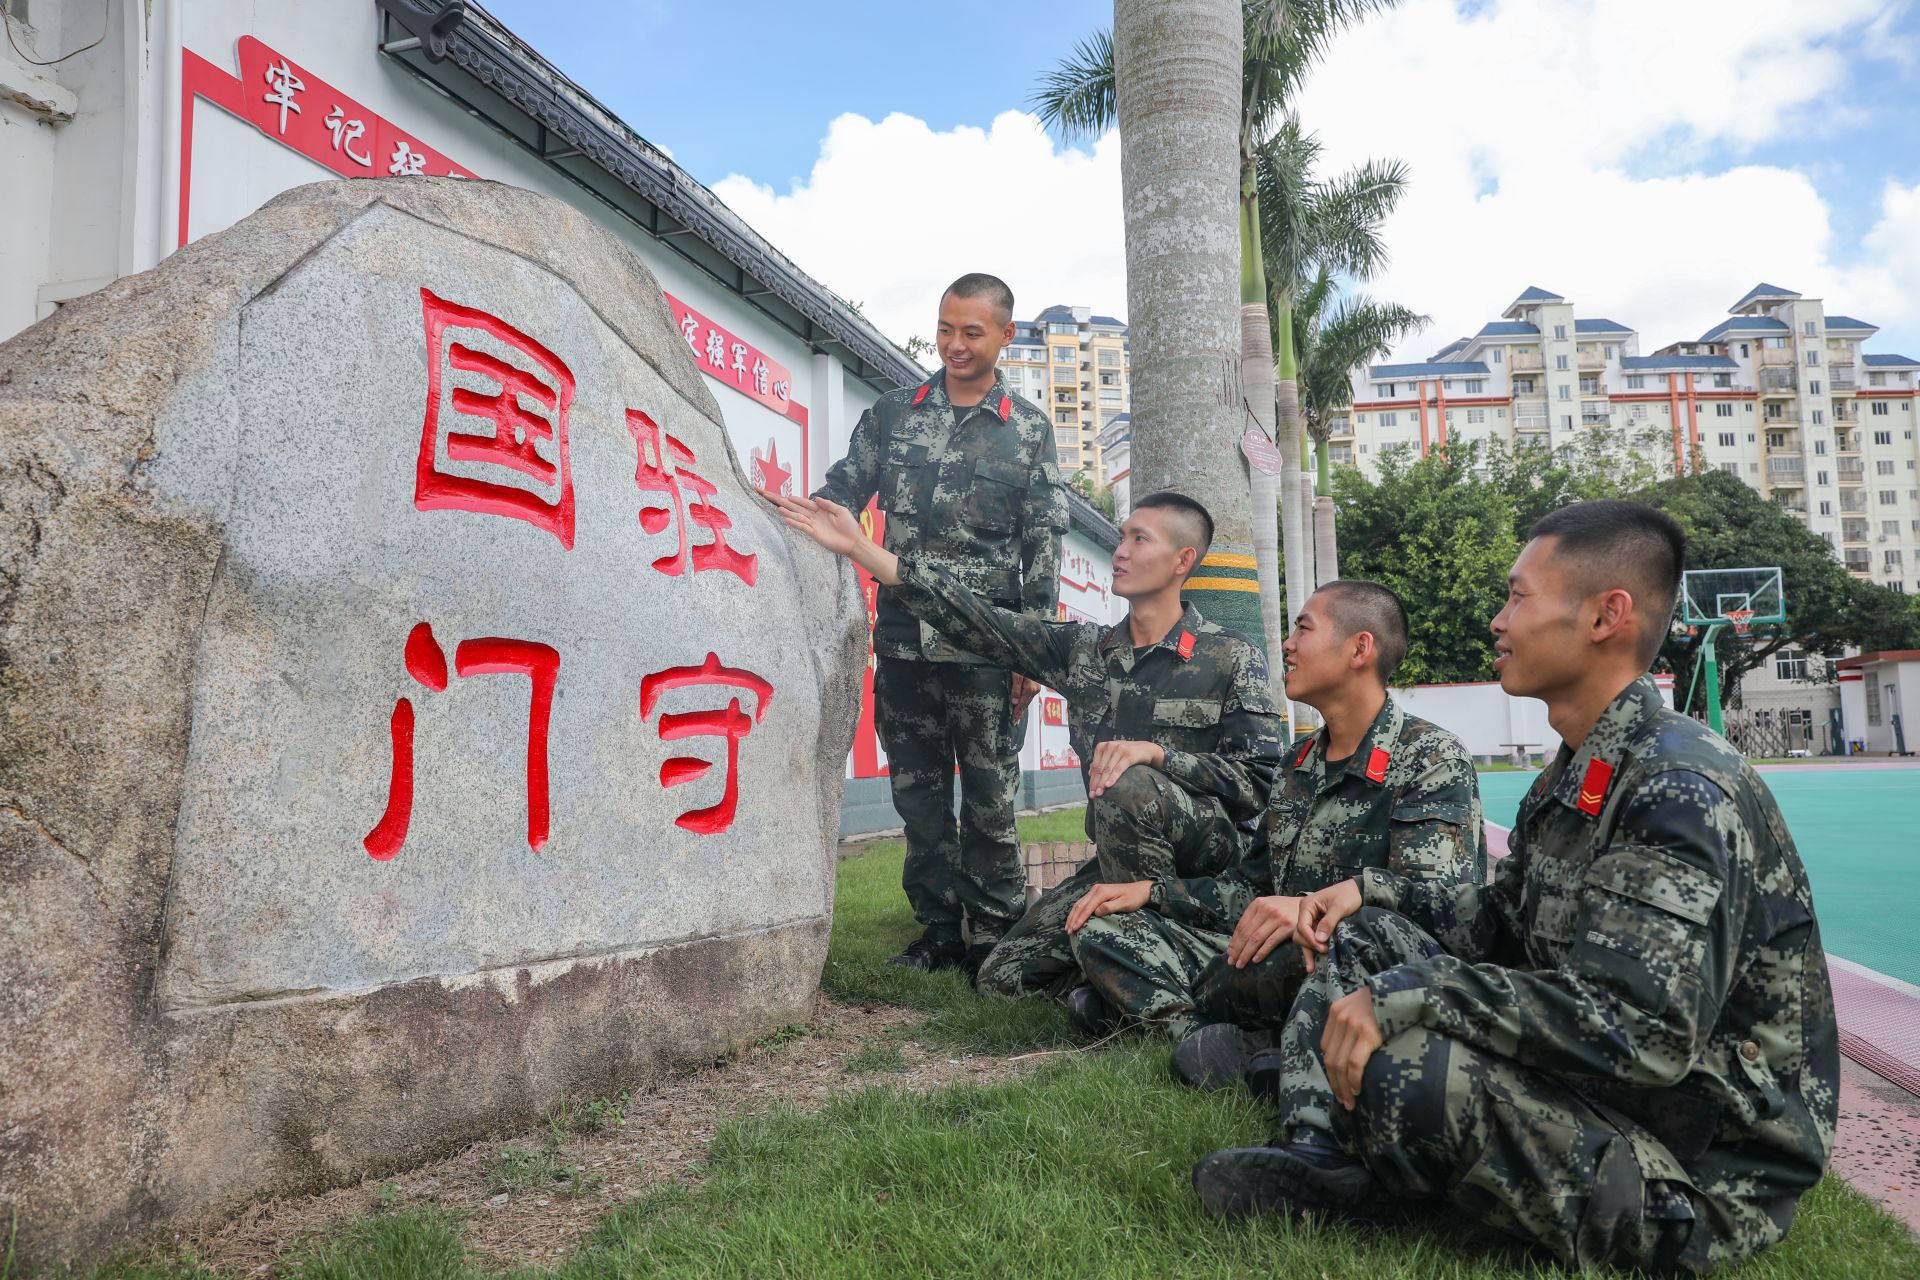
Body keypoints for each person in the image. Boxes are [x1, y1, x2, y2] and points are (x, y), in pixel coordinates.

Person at [1193, 500, 1838, 1277]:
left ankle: (1351, 1132)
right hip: (1614, 1094)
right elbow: (1502, 926)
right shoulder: (1579, 769)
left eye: (1517, 597)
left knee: (1410, 1063)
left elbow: (1642, 1028)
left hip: (1697, 1164)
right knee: (1365, 940)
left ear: (1607, 616)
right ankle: (1320, 1146)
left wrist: (1414, 992)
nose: (1498, 620)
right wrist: (1365, 897)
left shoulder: (1679, 784)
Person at [764, 487, 1281, 1034]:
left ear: (1183, 561)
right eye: (1122, 537)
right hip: (1119, 861)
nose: (1121, 552)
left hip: (1206, 861)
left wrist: (1159, 755)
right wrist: (863, 549)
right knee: (1003, 978)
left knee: (1129, 781)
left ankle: (1181, 975)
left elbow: (1261, 783)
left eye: (1139, 539)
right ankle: (1114, 982)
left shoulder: (1229, 655)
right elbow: (982, 621)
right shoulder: (1088, 651)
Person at [1067, 580, 1482, 1072]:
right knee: (1103, 923)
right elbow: (1249, 889)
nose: (1287, 644)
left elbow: (1431, 910)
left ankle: (1169, 1017)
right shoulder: (1298, 764)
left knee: (1327, 950)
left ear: (1359, 648)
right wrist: (1153, 893)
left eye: (1303, 629)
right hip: (1263, 957)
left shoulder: (1430, 758)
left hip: (1342, 958)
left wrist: (1310, 910)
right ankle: (1206, 1034)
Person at [811, 273, 1066, 977]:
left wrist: (1033, 653)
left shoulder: (1029, 432)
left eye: (971, 332)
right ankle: (937, 931)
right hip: (903, 643)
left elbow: (1042, 546)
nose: (954, 344)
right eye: (946, 329)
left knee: (989, 795)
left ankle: (992, 934)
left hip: (988, 648)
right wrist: (807, 513)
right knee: (917, 794)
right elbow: (845, 487)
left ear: (1005, 336)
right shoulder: (895, 414)